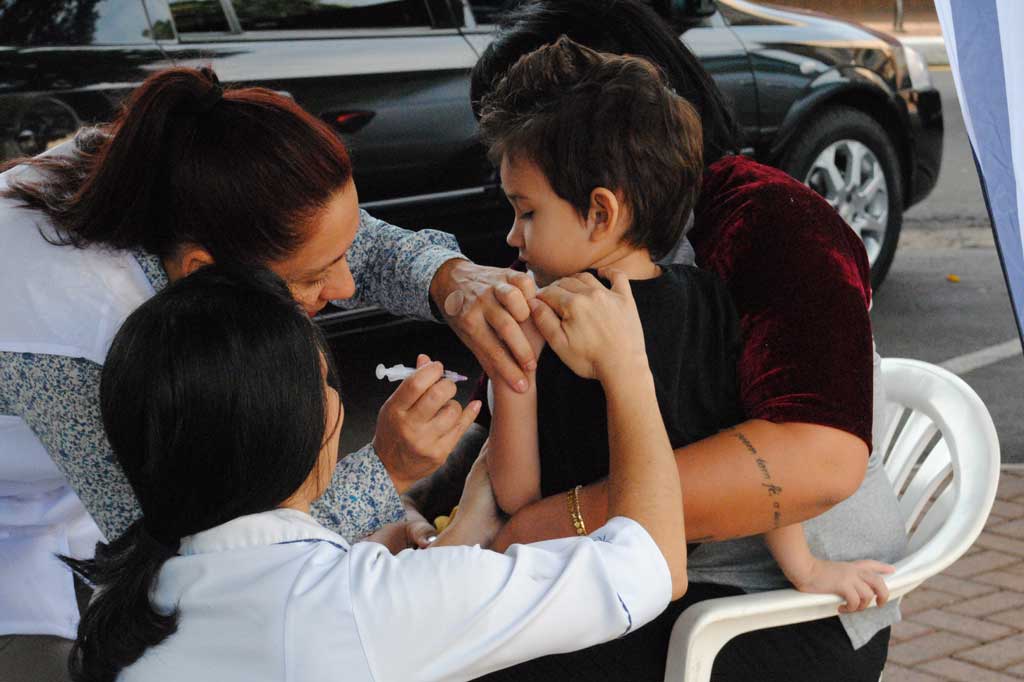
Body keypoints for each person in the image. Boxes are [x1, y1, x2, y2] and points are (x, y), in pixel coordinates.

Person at [403, 1, 909, 680]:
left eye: (526, 205)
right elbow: (528, 446)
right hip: (645, 570)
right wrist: (433, 502)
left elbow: (812, 461)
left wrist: (549, 521)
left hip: (762, 598)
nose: (511, 234)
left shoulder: (765, 223)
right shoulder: (585, 276)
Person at [0, 67, 539, 681]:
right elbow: (192, 575)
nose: (345, 288)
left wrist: (448, 279)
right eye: (312, 279)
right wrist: (386, 473)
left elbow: (335, 234)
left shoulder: (172, 174)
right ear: (202, 271)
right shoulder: (71, 342)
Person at [66, 263, 686, 682]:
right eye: (326, 383)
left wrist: (466, 518)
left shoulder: (126, 597)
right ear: (300, 428)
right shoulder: (354, 605)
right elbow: (651, 565)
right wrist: (627, 369)